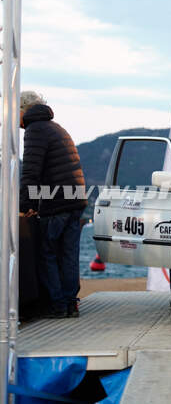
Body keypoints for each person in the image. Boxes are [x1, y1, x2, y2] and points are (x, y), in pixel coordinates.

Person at [19, 91, 88, 318]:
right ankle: (70, 303)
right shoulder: (56, 128)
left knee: (47, 254)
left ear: (23, 110)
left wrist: (25, 205)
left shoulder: (35, 130)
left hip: (56, 202)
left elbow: (31, 171)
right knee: (68, 255)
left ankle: (57, 305)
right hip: (75, 198)